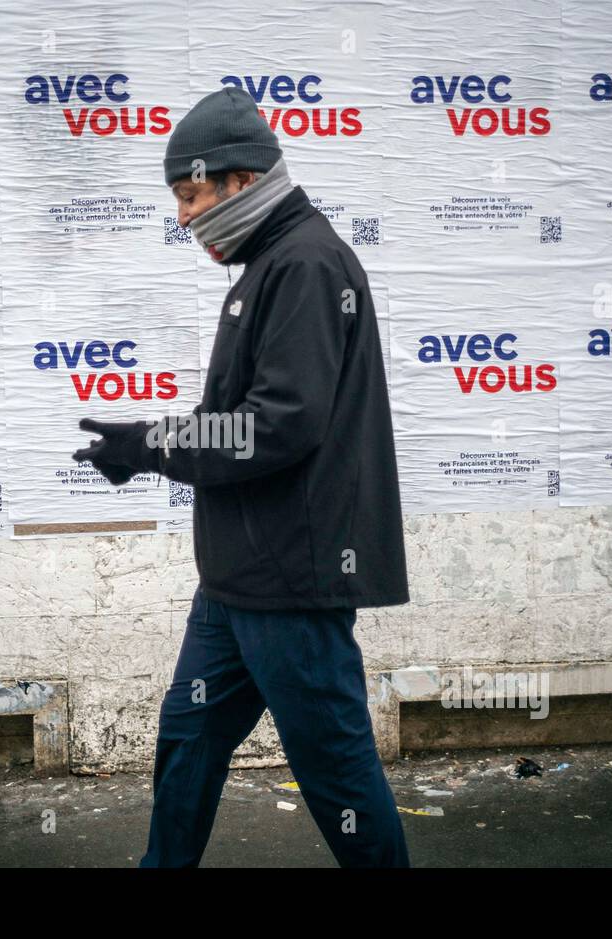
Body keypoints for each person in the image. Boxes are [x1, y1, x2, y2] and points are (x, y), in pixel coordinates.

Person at [72, 86, 410, 867]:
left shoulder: (307, 264)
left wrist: (150, 442)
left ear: (242, 180)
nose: (183, 217)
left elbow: (279, 424)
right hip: (235, 581)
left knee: (336, 774)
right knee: (188, 740)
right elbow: (243, 417)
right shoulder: (270, 266)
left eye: (190, 195)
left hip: (290, 579)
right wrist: (146, 449)